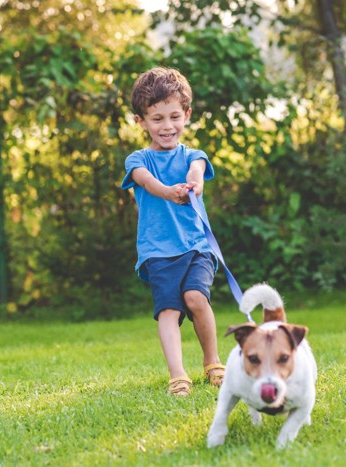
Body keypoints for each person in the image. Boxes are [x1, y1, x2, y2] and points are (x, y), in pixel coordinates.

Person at [121, 67, 225, 397]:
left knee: (195, 298)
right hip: (157, 251)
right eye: (157, 119)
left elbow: (197, 175)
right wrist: (169, 192)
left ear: (187, 115)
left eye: (174, 117)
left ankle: (213, 363)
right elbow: (146, 182)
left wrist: (192, 186)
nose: (167, 126)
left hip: (196, 246)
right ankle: (178, 376)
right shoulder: (137, 160)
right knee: (169, 310)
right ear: (141, 121)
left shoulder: (194, 155)